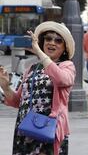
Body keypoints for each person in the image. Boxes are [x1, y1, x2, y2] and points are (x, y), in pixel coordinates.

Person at [0, 21, 76, 154]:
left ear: (64, 48)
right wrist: (6, 87)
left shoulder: (67, 66)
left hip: (49, 130)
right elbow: (18, 101)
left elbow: (61, 79)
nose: (52, 42)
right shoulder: (32, 68)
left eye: (58, 40)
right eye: (48, 38)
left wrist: (39, 53)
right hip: (25, 129)